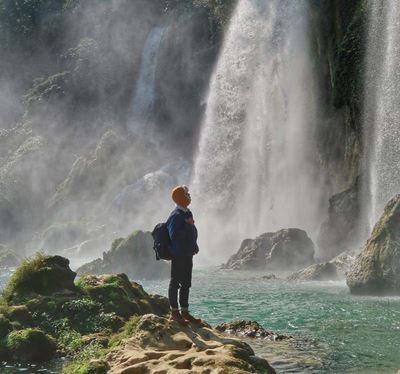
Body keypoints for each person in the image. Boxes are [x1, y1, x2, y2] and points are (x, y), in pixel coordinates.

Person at [166, 185, 201, 325]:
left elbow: (191, 230)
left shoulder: (187, 212)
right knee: (175, 282)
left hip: (187, 253)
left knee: (186, 282)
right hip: (178, 254)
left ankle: (185, 311)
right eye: (187, 194)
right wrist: (187, 226)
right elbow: (174, 235)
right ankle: (174, 313)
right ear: (181, 197)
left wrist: (194, 245)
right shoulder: (175, 215)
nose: (189, 196)